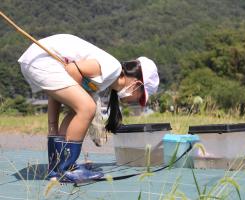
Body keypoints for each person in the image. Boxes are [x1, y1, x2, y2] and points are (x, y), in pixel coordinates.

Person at [18, 34, 159, 183]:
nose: (136, 101)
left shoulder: (104, 80)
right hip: (41, 59)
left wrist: (53, 128)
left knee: (82, 108)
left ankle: (57, 167)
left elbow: (58, 92)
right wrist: (81, 106)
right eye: (140, 97)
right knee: (87, 107)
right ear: (137, 84)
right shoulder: (113, 68)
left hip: (36, 60)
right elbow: (73, 69)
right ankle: (66, 169)